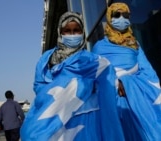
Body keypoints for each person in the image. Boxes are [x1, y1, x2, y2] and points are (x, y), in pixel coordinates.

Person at [20, 11, 124, 141]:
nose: (72, 34)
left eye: (76, 30)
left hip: (87, 119)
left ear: (82, 32)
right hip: (56, 121)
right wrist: (69, 90)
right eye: (67, 31)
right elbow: (39, 86)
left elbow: (107, 79)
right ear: (60, 33)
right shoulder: (46, 60)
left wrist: (116, 82)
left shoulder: (93, 60)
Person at [92, 2, 161, 141]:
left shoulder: (135, 44)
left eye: (126, 15)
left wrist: (127, 82)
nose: (121, 18)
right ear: (109, 18)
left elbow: (148, 73)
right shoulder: (99, 47)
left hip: (139, 101)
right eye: (117, 15)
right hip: (113, 105)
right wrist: (116, 84)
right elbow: (96, 78)